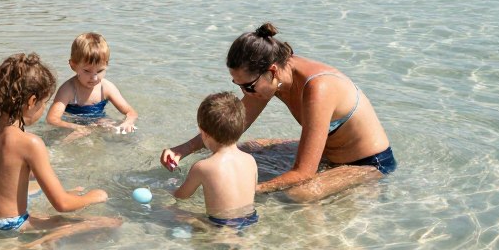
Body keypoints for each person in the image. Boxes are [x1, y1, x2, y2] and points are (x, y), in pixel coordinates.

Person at [160, 23, 396, 202]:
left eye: (248, 86)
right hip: (328, 154)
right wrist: (184, 149)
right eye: (237, 85)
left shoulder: (318, 89)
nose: (244, 92)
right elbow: (232, 127)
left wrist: (252, 190)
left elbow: (303, 173)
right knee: (239, 149)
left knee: (299, 193)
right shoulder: (275, 77)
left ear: (271, 71)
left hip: (368, 163)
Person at [0, 53, 119, 244]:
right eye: (44, 103)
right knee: (110, 223)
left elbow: (4, 182)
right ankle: (42, 242)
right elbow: (62, 205)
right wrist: (93, 197)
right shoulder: (30, 143)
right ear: (32, 101)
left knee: (49, 205)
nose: (43, 110)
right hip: (10, 226)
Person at [170, 93, 259, 229]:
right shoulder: (250, 160)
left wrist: (168, 188)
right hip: (250, 219)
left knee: (170, 210)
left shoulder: (203, 167)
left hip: (219, 225)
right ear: (241, 128)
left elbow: (181, 196)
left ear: (204, 133)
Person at [46, 33, 138, 137]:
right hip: (72, 124)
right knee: (66, 141)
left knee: (123, 135)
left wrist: (128, 122)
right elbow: (52, 119)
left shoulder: (106, 87)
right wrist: (77, 127)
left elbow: (131, 113)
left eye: (100, 71)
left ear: (107, 65)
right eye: (87, 71)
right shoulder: (68, 90)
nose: (94, 78)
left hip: (98, 122)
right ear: (73, 66)